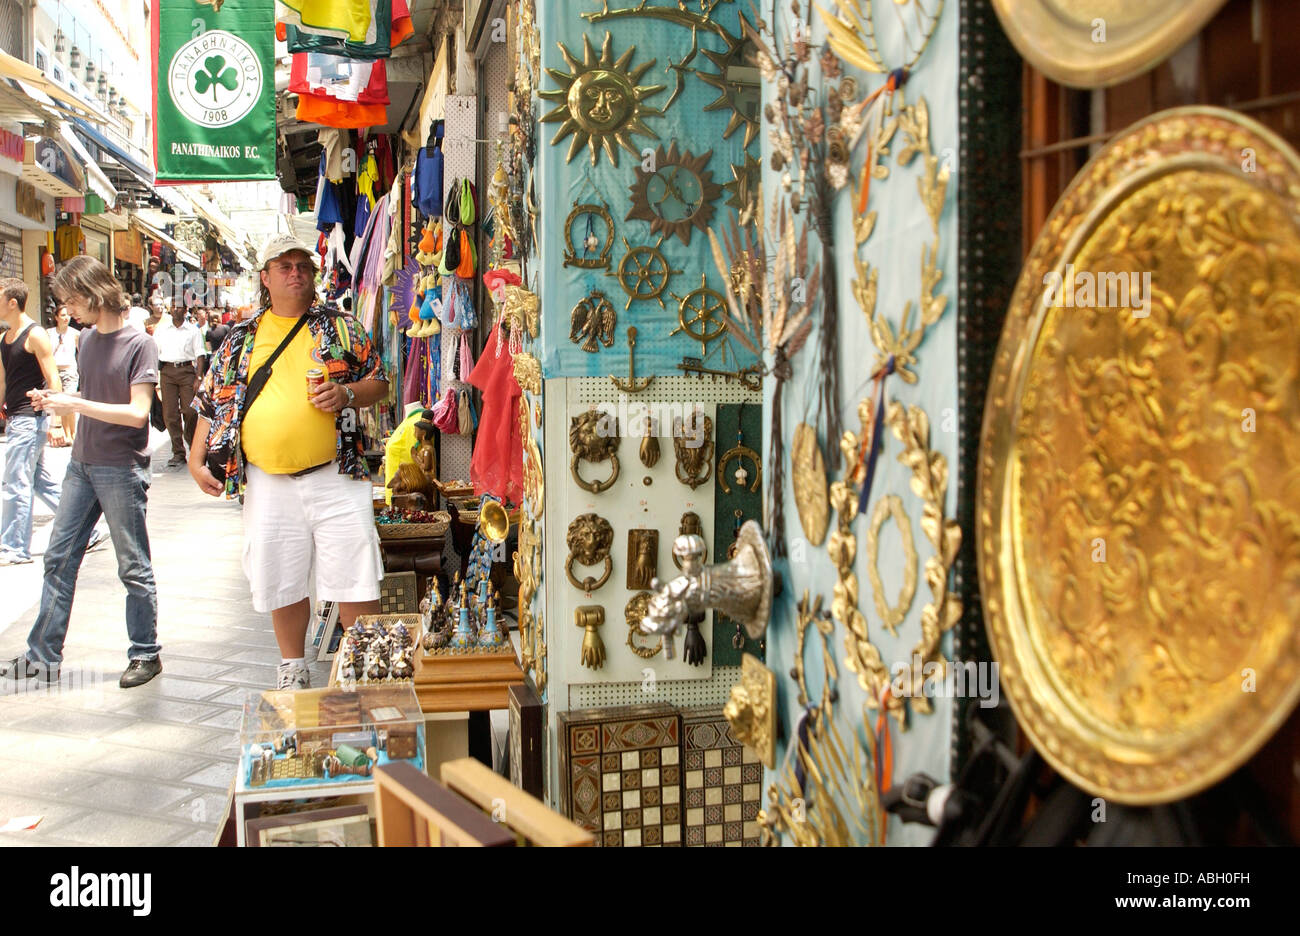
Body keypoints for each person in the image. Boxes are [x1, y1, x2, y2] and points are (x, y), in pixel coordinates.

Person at [189, 234, 388, 690]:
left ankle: (365, 666)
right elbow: (212, 399)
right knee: (281, 575)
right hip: (267, 482)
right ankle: (292, 668)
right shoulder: (242, 336)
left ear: (314, 275)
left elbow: (380, 382)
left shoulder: (342, 327)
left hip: (337, 476)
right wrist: (197, 457)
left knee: (356, 574)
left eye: (303, 265)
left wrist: (347, 394)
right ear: (265, 277)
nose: (296, 272)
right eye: (285, 266)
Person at [0, 257, 162, 688]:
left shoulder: (140, 343)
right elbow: (90, 394)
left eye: (71, 299)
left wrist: (76, 404)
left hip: (121, 467)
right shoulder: (87, 340)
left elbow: (137, 412)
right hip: (82, 464)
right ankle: (42, 656)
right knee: (58, 558)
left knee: (132, 565)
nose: (67, 309)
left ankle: (145, 652)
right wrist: (56, 400)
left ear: (93, 294)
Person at [0, 278, 70, 564]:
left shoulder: (35, 334)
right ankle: (85, 530)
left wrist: (54, 422)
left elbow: (53, 377)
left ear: (12, 302)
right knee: (38, 481)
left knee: (16, 482)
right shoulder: (5, 338)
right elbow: (4, 380)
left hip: (31, 418)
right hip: (17, 417)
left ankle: (14, 548)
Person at [152, 300, 207, 468]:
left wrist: (198, 378)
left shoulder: (192, 330)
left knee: (190, 411)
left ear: (186, 310)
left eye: (180, 307)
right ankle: (178, 452)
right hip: (167, 372)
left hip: (187, 372)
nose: (176, 310)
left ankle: (192, 443)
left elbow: (200, 354)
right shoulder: (161, 330)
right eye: (174, 307)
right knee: (170, 414)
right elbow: (154, 352)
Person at [50, 305, 79, 445]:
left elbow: (82, 353)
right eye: (62, 315)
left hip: (70, 370)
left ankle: (72, 434)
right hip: (54, 371)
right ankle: (64, 434)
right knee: (59, 404)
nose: (66, 317)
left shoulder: (75, 333)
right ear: (56, 317)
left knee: (69, 401)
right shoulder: (49, 333)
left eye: (68, 315)